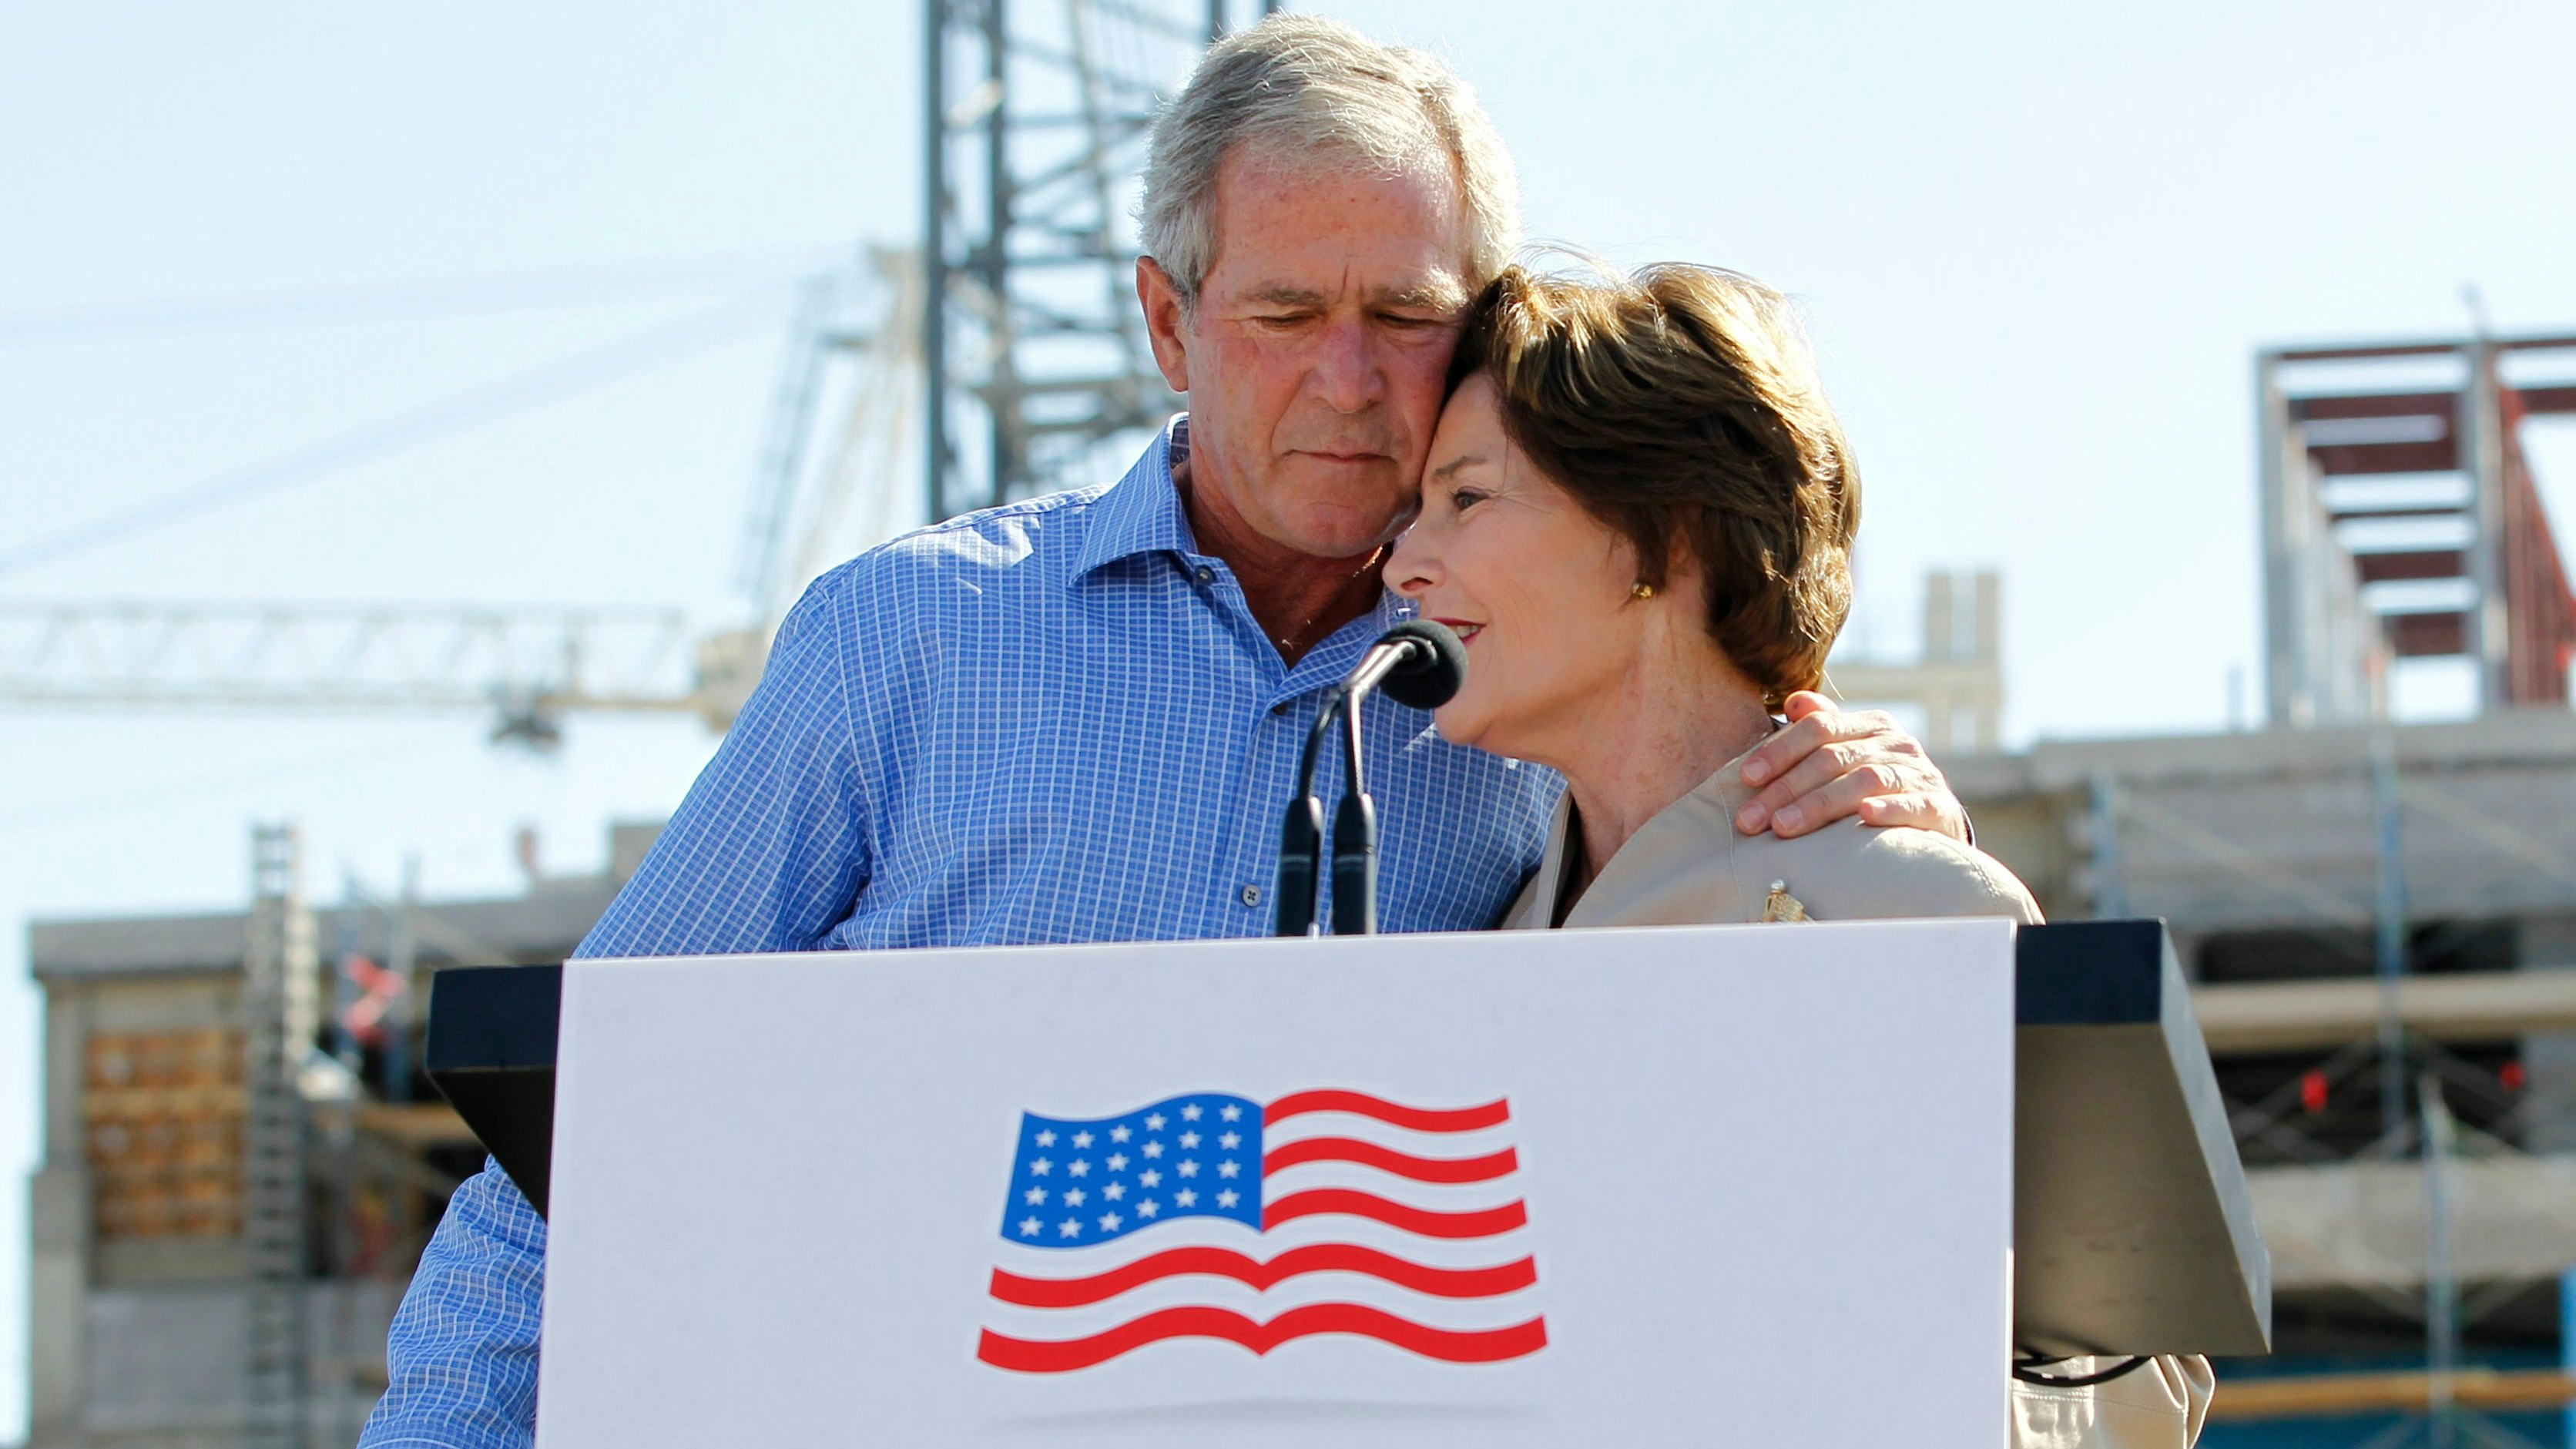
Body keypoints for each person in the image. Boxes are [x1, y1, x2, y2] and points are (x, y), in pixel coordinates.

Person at [358, 18, 1971, 1446]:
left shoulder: (1520, 724)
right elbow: (586, 1136)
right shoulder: (907, 644)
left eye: (1404, 316)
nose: (1346, 381)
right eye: (1281, 311)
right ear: (1163, 323)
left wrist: (1858, 804)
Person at [1387, 260, 2214, 1447]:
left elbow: (2133, 1399)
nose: (1403, 561)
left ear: (1661, 535)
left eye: (1465, 498)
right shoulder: (1490, 936)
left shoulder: (1914, 907)